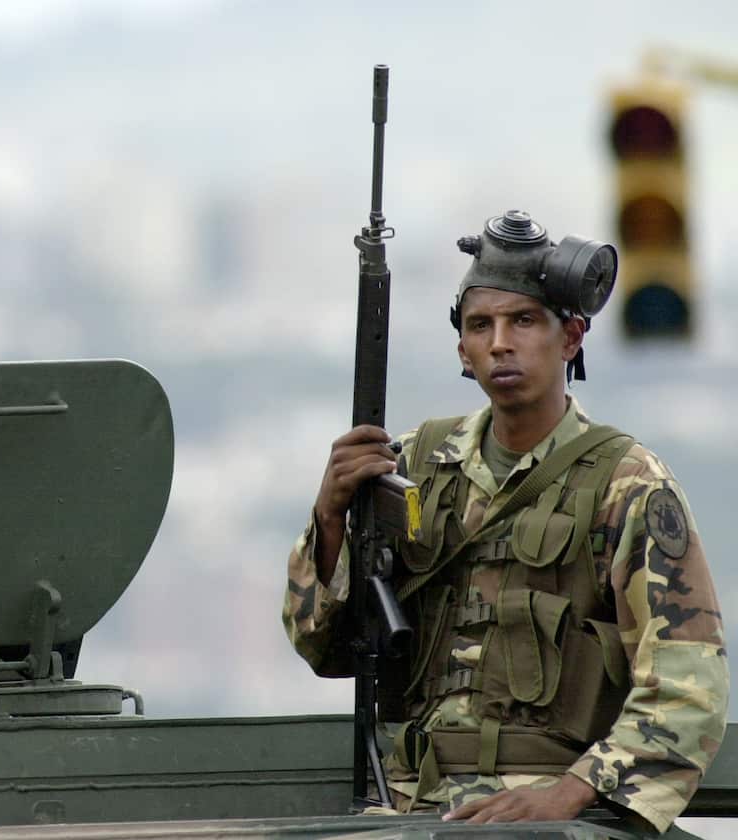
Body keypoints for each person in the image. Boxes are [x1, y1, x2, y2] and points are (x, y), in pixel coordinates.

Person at [283, 211, 727, 834]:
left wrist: (570, 795)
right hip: (406, 805)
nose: (500, 343)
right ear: (462, 350)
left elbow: (687, 687)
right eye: (480, 326)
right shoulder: (411, 466)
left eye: (523, 321)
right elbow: (321, 647)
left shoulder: (625, 483)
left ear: (570, 337)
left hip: (547, 812)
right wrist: (330, 520)